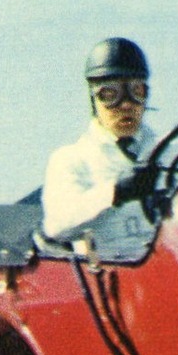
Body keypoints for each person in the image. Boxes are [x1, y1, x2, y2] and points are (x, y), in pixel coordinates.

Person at [42, 37, 161, 263]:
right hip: (111, 279)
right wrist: (115, 192)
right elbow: (56, 225)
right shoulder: (70, 160)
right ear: (94, 98)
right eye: (111, 94)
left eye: (136, 92)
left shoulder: (172, 154)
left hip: (175, 268)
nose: (126, 105)